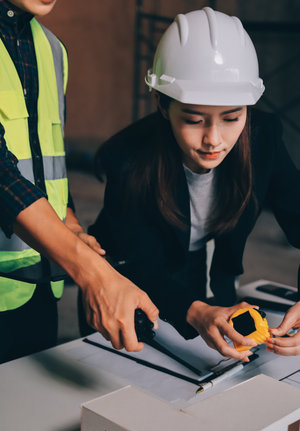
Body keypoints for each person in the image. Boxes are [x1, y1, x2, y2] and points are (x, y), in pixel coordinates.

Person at [88, 8, 300, 360]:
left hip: (203, 269)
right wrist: (196, 310)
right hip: (127, 281)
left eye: (232, 117)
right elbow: (139, 264)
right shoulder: (129, 157)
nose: (213, 139)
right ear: (161, 103)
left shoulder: (264, 138)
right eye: (194, 119)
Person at [0, 0, 158, 363]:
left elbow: (48, 155)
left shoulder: (53, 50)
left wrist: (69, 223)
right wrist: (92, 273)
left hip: (41, 287)